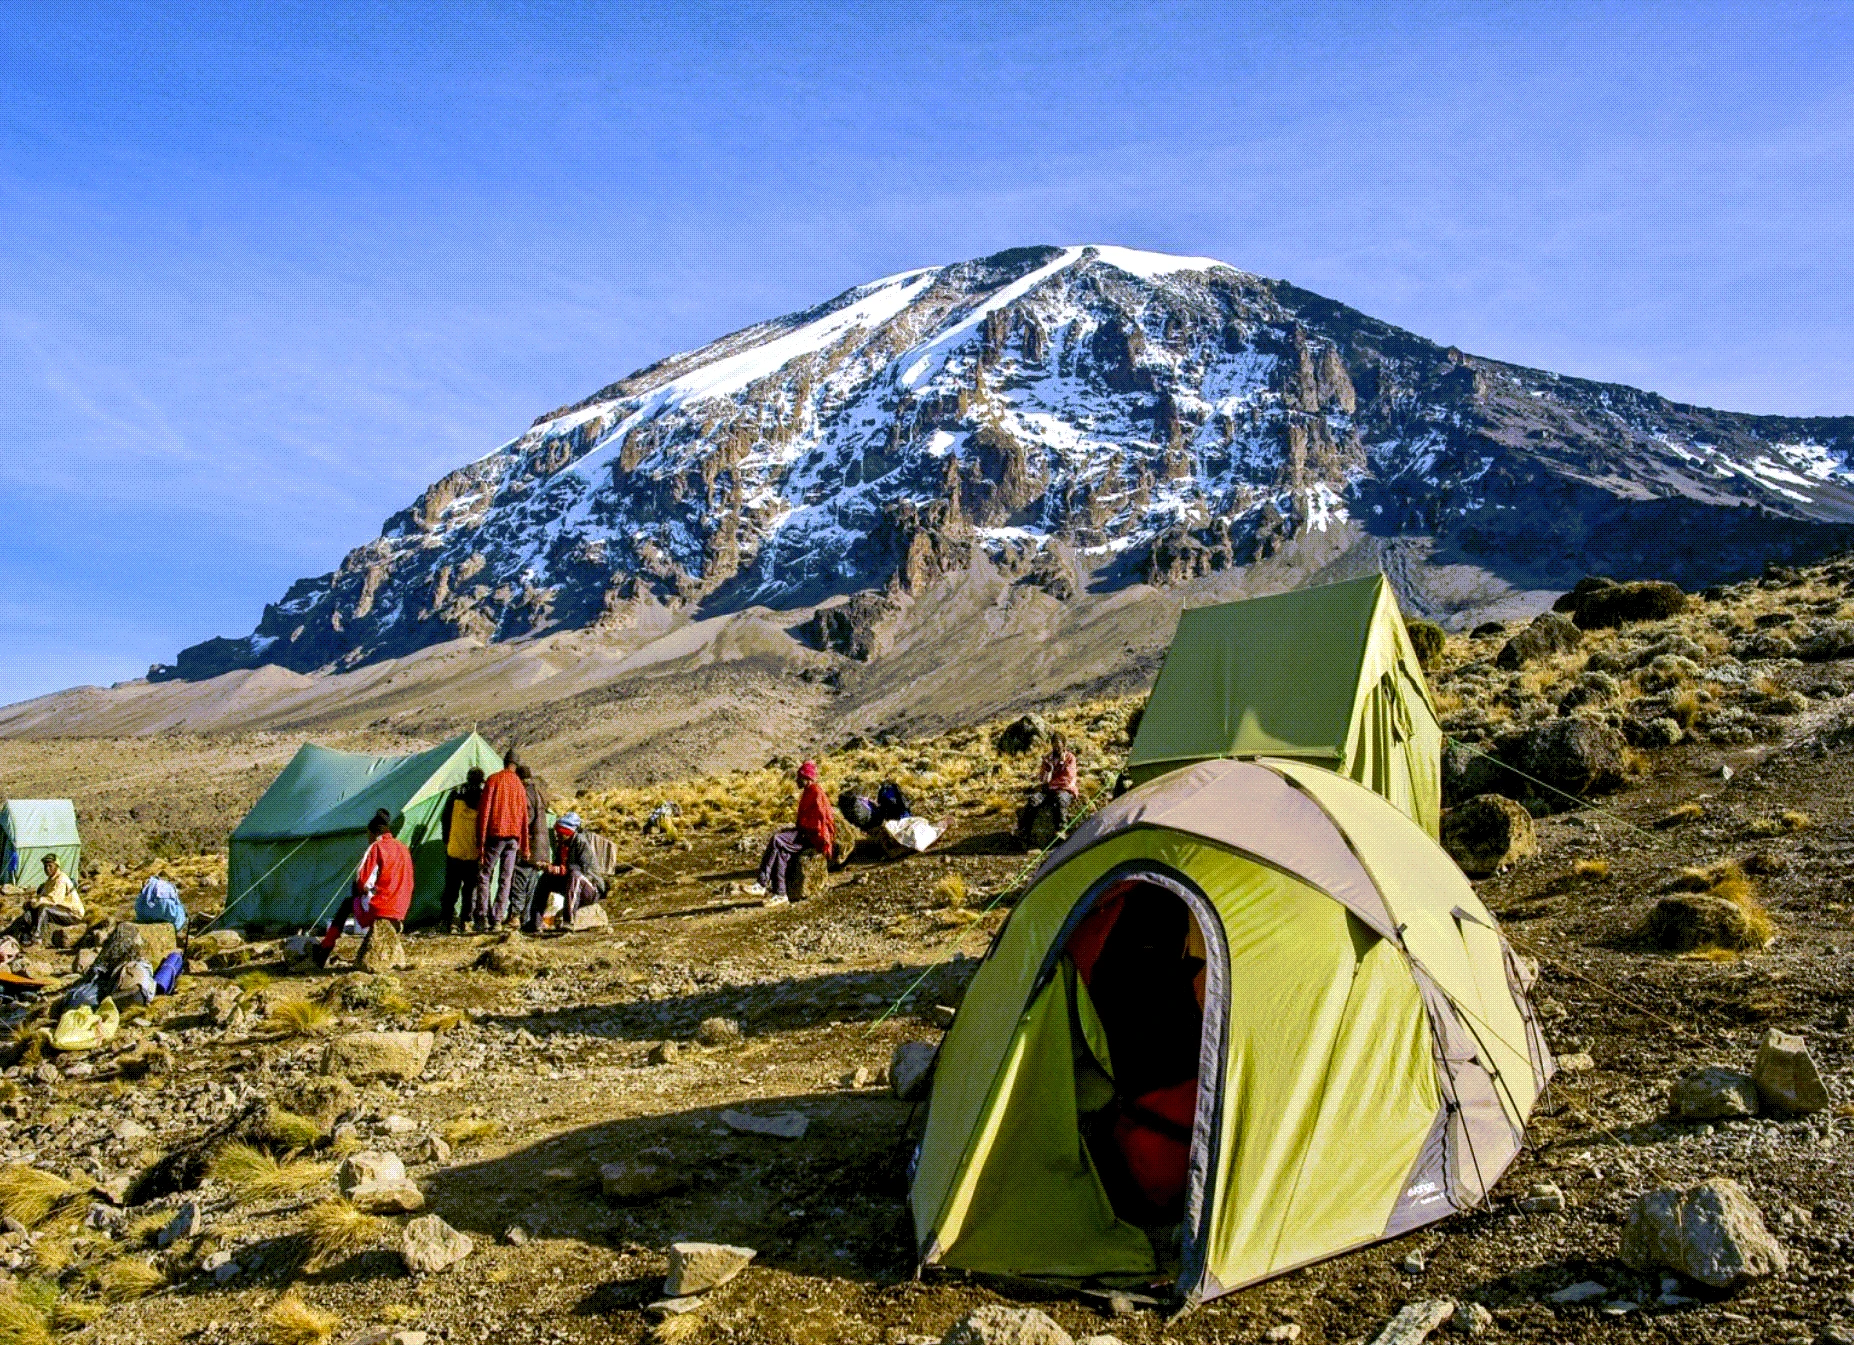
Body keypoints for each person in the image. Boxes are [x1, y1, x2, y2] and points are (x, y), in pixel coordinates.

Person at [313, 809, 413, 969]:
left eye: (368, 835)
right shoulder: (403, 848)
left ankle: (325, 948)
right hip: (401, 908)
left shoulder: (377, 847)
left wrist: (359, 892)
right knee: (355, 901)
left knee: (347, 904)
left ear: (374, 833)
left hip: (381, 907)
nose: (368, 839)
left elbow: (362, 881)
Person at [757, 761, 836, 900]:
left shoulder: (816, 793)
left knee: (777, 840)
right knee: (781, 851)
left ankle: (761, 883)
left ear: (807, 778)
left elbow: (820, 821)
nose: (796, 780)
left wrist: (803, 829)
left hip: (813, 837)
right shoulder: (808, 792)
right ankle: (780, 893)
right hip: (807, 833)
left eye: (799, 777)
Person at [474, 750, 530, 932]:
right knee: (506, 878)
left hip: (495, 835)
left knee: (484, 875)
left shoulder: (493, 780)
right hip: (513, 838)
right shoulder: (520, 786)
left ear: (504, 761)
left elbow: (484, 812)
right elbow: (524, 818)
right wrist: (525, 846)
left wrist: (480, 842)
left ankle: (482, 917)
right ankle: (497, 919)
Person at [524, 812, 608, 933]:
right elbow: (559, 867)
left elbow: (583, 870)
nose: (557, 835)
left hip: (590, 888)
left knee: (575, 876)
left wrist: (558, 869)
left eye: (560, 832)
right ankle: (535, 922)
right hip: (571, 885)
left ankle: (569, 921)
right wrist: (548, 867)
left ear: (568, 832)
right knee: (545, 878)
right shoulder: (563, 845)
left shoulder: (581, 842)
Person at [505, 763, 551, 930]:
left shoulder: (525, 793)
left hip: (529, 846)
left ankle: (515, 916)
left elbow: (526, 820)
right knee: (531, 883)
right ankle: (527, 918)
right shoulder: (539, 792)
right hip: (541, 848)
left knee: (518, 880)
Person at [438, 767, 485, 934]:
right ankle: (466, 920)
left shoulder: (455, 796)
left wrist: (447, 840)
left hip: (454, 850)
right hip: (473, 852)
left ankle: (447, 920)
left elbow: (445, 819)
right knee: (469, 890)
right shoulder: (483, 798)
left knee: (451, 888)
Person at [1017, 732, 1080, 847]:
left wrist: (1053, 782)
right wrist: (1048, 770)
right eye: (1054, 744)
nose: (1056, 747)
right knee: (1033, 800)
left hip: (1065, 789)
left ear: (1064, 745)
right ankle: (1024, 830)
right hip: (1049, 790)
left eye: (1059, 744)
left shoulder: (1070, 758)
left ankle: (1061, 829)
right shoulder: (1048, 759)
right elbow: (1042, 778)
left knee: (1060, 800)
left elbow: (1068, 777)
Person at [23, 855, 83, 946]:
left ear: (56, 866)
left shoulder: (61, 879)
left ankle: (37, 937)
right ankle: (26, 935)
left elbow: (54, 900)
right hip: (61, 910)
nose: (47, 868)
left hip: (73, 913)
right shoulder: (50, 880)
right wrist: (32, 901)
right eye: (45, 866)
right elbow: (42, 895)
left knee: (44, 909)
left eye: (50, 866)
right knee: (31, 909)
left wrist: (37, 902)